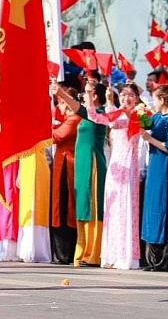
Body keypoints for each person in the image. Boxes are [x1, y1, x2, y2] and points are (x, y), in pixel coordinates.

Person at [85, 79, 141, 270]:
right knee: (112, 209)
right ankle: (111, 254)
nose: (126, 98)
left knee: (126, 209)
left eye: (131, 95)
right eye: (123, 95)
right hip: (115, 167)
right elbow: (94, 117)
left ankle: (126, 256)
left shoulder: (139, 115)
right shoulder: (117, 115)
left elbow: (134, 125)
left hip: (129, 166)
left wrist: (117, 107)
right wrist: (89, 94)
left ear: (137, 99)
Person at [50, 81, 106, 268]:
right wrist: (59, 93)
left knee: (92, 205)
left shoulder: (101, 114)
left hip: (93, 162)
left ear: (95, 95)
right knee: (81, 206)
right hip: (81, 163)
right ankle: (82, 251)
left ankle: (93, 252)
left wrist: (62, 94)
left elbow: (81, 109)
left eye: (89, 90)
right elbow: (78, 108)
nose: (85, 92)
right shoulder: (83, 115)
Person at [140, 84, 168, 272]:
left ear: (162, 99)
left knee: (163, 207)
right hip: (154, 165)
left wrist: (149, 139)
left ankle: (165, 258)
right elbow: (144, 124)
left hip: (164, 166)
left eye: (155, 98)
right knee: (152, 207)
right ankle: (152, 257)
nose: (153, 102)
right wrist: (140, 113)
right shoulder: (156, 117)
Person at [49, 84, 79, 265]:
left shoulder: (73, 119)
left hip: (67, 166)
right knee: (60, 207)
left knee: (64, 208)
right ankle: (60, 252)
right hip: (62, 164)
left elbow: (57, 136)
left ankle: (64, 253)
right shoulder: (68, 120)